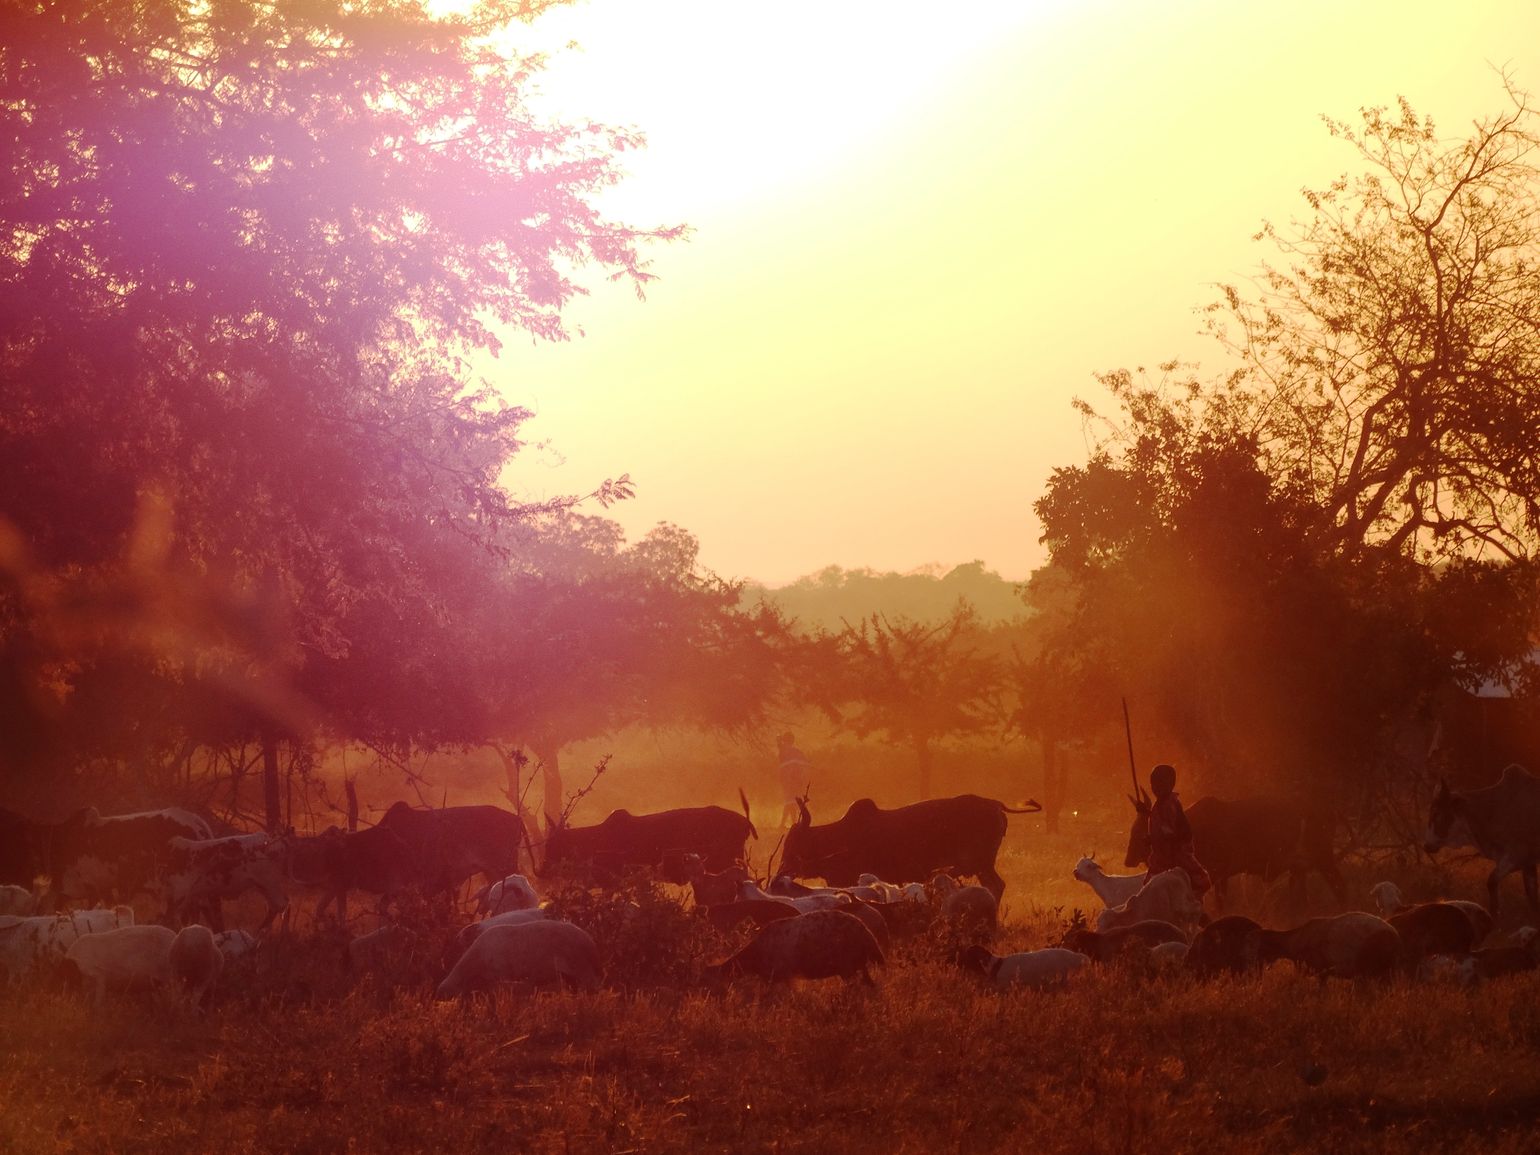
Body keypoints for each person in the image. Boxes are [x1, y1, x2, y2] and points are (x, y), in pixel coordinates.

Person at [1145, 762, 1212, 897]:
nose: (1155, 787)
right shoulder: (1160, 805)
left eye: (1160, 783)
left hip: (1175, 857)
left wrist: (1157, 838)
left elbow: (1175, 832)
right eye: (1153, 783)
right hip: (1162, 859)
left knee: (1196, 884)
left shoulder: (1170, 805)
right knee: (1149, 891)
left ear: (1171, 784)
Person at [776, 732, 813, 829]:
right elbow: (806, 763)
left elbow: (779, 744)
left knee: (790, 801)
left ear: (785, 741)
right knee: (791, 801)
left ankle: (787, 823)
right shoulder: (795, 752)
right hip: (794, 780)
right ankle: (790, 823)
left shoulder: (783, 751)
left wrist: (779, 739)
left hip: (788, 780)